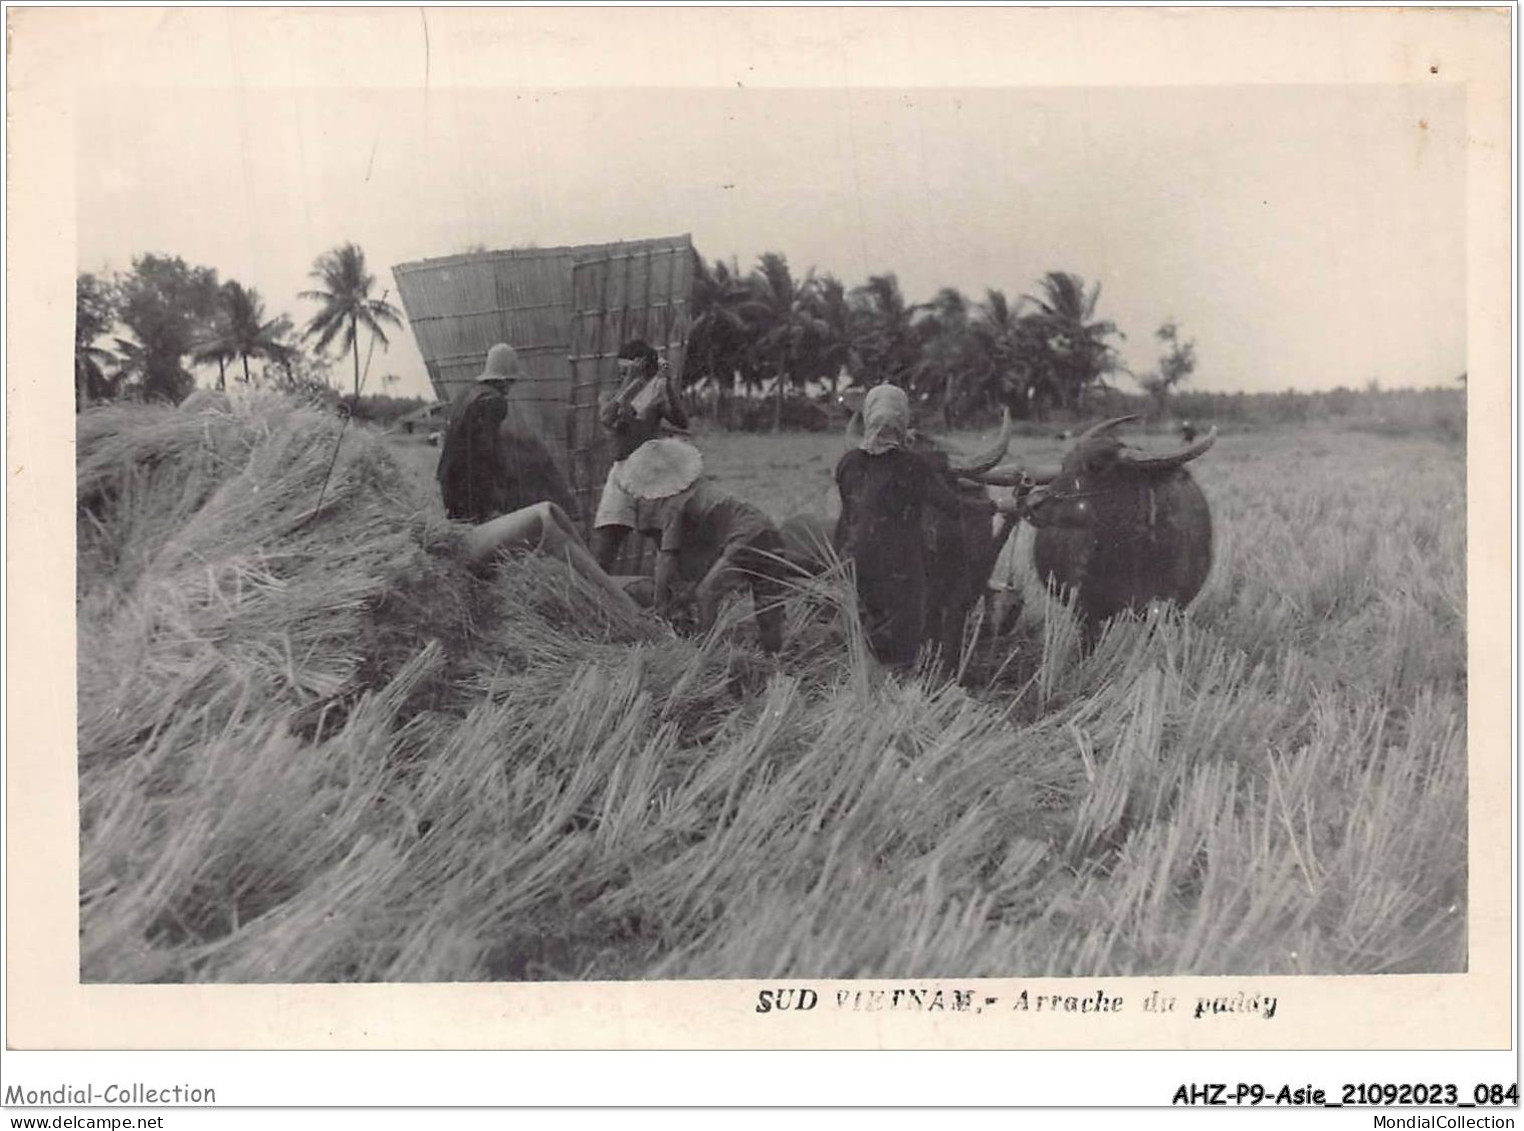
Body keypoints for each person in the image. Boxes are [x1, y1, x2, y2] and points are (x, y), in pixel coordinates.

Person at [834, 384, 1023, 670]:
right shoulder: (914, 465)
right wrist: (997, 506)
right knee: (906, 630)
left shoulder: (847, 463)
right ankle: (908, 684)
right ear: (902, 419)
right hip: (903, 565)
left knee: (870, 623)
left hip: (858, 561)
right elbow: (952, 505)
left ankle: (870, 684)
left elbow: (849, 518)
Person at [620, 438, 787, 655]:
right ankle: (774, 660)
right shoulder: (702, 488)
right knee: (768, 606)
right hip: (768, 531)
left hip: (745, 537)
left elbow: (666, 558)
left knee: (706, 594)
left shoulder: (674, 504)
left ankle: (708, 655)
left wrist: (659, 605)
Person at [437, 343, 577, 523]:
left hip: (449, 477)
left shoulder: (467, 393)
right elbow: (485, 450)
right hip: (467, 483)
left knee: (462, 529)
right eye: (511, 381)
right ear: (503, 380)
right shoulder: (494, 401)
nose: (511, 387)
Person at [592, 339, 690, 572]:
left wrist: (666, 385)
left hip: (650, 473)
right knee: (608, 539)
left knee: (664, 541)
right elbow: (608, 418)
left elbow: (681, 421)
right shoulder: (610, 394)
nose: (623, 371)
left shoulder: (655, 393)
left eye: (627, 367)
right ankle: (594, 597)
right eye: (623, 368)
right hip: (623, 473)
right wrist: (630, 381)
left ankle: (674, 597)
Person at [459, 500, 646, 621]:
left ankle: (633, 614)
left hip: (538, 525)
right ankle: (632, 612)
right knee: (591, 575)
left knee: (592, 579)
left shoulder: (459, 558)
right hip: (539, 520)